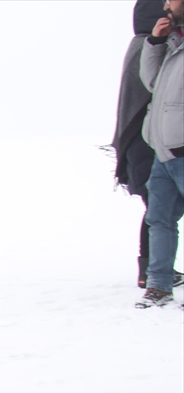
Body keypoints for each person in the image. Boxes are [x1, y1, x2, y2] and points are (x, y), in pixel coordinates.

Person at [112, 0, 173, 289]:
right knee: (159, 211)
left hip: (141, 142)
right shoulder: (153, 47)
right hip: (150, 142)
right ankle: (150, 272)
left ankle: (149, 271)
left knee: (158, 211)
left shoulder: (139, 45)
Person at [136, 0, 184, 308]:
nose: (166, 4)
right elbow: (151, 82)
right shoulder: (173, 43)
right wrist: (154, 43)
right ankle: (159, 286)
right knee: (159, 220)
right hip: (163, 152)